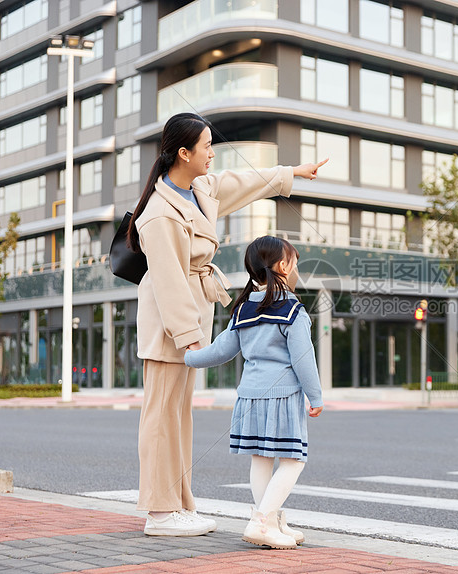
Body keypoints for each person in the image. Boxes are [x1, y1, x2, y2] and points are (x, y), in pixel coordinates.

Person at [128, 112, 326, 537]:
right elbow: (168, 281)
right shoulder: (160, 213)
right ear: (184, 153)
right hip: (170, 326)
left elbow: (242, 182)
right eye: (206, 147)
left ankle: (178, 505)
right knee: (162, 417)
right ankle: (159, 513)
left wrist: (290, 173)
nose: (213, 154)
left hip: (192, 319)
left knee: (180, 417)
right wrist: (189, 342)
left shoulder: (199, 189)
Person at [185, 236, 323, 550]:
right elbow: (303, 359)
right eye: (295, 261)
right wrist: (315, 397)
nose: (297, 267)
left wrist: (190, 356)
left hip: (249, 395)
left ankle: (270, 519)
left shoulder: (244, 308)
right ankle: (262, 521)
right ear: (284, 266)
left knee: (261, 458)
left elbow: (222, 350)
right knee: (293, 460)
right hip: (283, 395)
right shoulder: (293, 311)